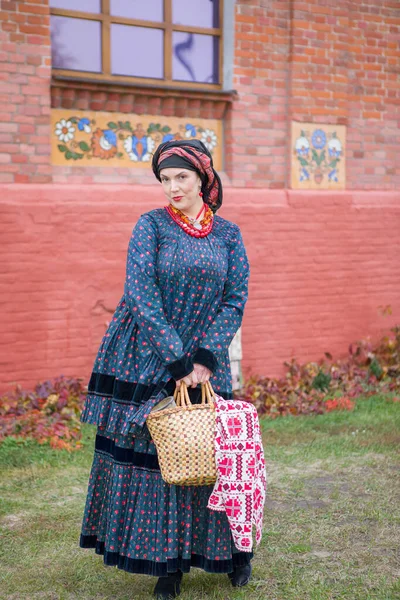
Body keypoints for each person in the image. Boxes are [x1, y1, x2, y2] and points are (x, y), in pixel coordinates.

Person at [79, 139, 251, 599]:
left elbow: (235, 300)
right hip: (148, 353)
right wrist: (177, 361)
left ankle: (234, 556)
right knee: (161, 459)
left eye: (181, 177)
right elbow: (141, 295)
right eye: (164, 179)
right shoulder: (150, 225)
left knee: (211, 456)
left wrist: (204, 360)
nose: (172, 187)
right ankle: (167, 567)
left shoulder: (229, 235)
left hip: (207, 362)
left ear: (203, 179)